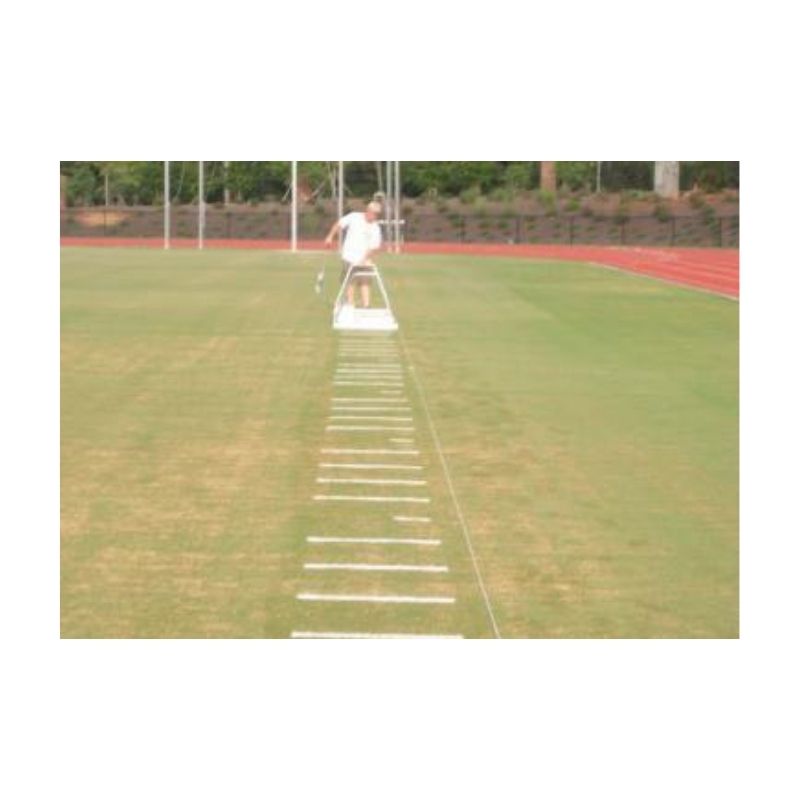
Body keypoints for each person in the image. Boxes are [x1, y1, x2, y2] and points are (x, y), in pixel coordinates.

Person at [324, 201, 383, 308]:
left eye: (377, 214)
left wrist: (364, 259)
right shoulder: (354, 217)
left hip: (365, 259)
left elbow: (374, 247)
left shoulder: (375, 228)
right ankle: (350, 304)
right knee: (349, 281)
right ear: (368, 211)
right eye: (374, 213)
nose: (375, 216)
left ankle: (366, 305)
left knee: (365, 281)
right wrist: (330, 237)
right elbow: (339, 224)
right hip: (349, 256)